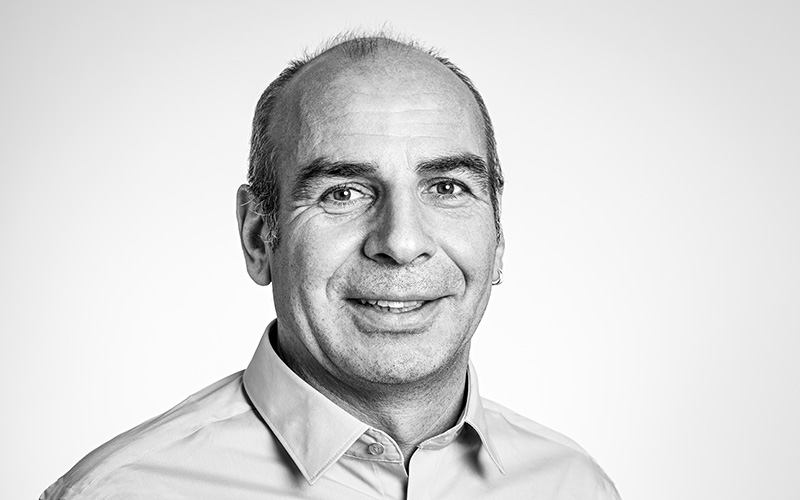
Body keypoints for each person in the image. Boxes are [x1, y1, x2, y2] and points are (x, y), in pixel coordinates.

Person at [42, 34, 620, 499]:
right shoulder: (118, 492)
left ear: (499, 235)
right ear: (258, 237)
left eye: (447, 187)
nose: (401, 242)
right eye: (342, 193)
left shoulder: (575, 486)